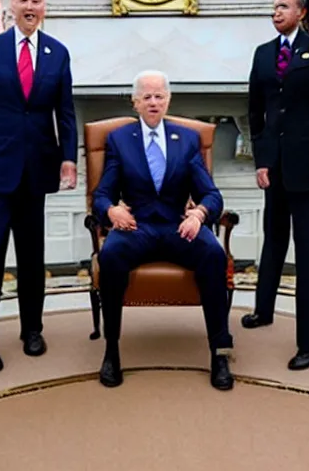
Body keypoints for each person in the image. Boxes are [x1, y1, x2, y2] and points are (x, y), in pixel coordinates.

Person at [0, 0, 78, 373]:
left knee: (32, 255)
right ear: (10, 5)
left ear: (46, 6)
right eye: (24, 1)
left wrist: (69, 158)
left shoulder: (58, 53)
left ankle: (32, 329)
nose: (31, 8)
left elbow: (64, 111)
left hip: (37, 171)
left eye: (38, 1)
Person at [93, 70, 234, 390]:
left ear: (168, 100)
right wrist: (112, 210)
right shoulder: (118, 140)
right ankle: (112, 350)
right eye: (147, 97)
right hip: (136, 227)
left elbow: (211, 194)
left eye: (159, 96)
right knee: (111, 255)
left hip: (176, 226)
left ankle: (220, 353)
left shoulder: (187, 140)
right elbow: (102, 194)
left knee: (213, 253)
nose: (153, 102)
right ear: (135, 102)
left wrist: (198, 214)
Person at [241, 0, 309, 371]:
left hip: (307, 168)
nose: (276, 11)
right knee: (274, 238)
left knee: (308, 249)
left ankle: (308, 345)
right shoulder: (264, 54)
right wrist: (261, 160)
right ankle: (262, 310)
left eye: (282, 6)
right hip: (274, 166)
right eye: (273, 7)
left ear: (301, 12)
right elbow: (256, 112)